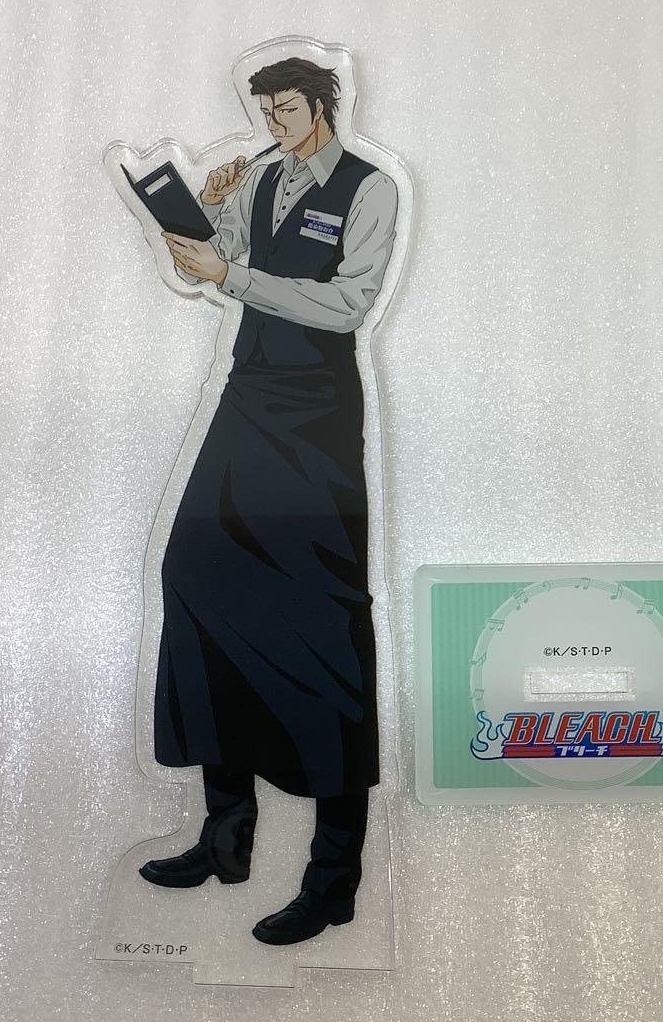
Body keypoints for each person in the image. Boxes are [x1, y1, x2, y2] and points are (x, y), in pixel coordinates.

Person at [136, 56, 400, 947]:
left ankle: (334, 877)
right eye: (266, 110)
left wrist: (232, 273)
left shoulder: (368, 188)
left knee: (324, 619)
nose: (274, 122)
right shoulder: (259, 178)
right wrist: (203, 216)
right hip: (249, 395)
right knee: (195, 577)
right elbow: (204, 274)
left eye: (286, 108)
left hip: (317, 415)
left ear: (324, 103)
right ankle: (226, 834)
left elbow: (348, 304)